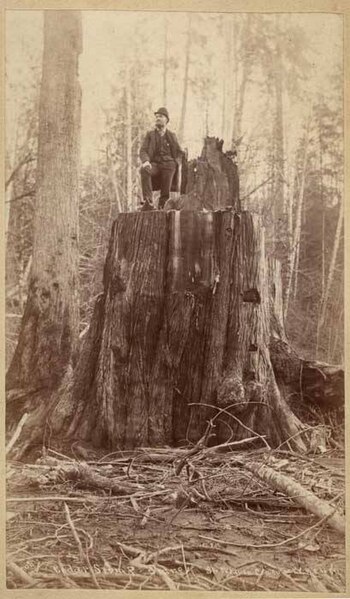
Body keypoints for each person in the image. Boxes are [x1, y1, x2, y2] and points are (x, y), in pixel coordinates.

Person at [139, 107, 183, 210]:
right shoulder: (150, 135)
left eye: (161, 116)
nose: (158, 118)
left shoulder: (171, 136)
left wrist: (176, 163)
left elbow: (179, 152)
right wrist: (145, 161)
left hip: (169, 164)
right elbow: (143, 150)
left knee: (169, 169)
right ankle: (148, 202)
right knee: (144, 170)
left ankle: (163, 205)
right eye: (157, 117)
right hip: (155, 165)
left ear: (166, 120)